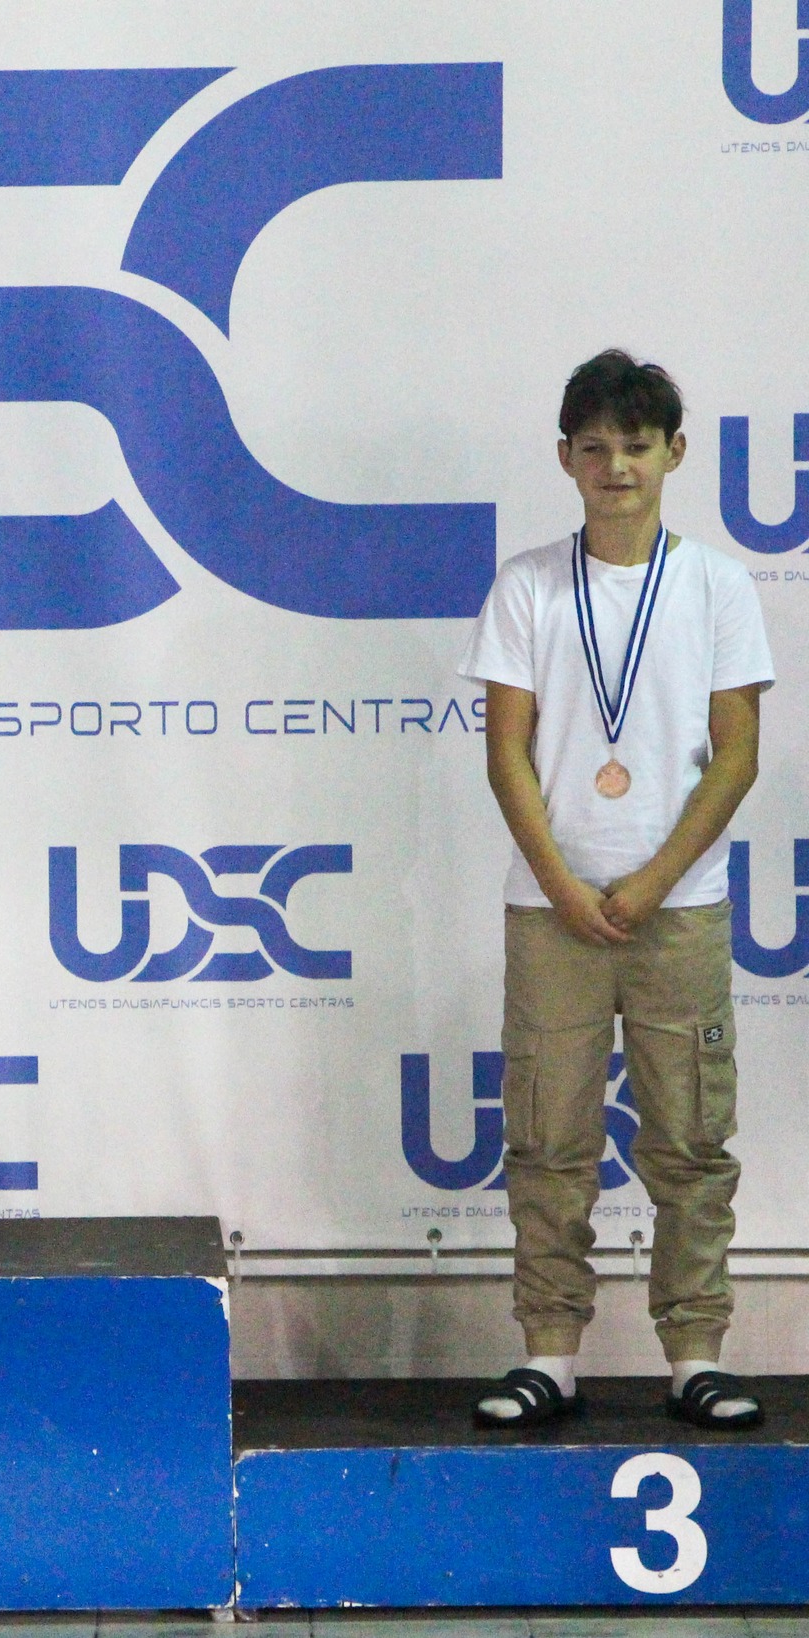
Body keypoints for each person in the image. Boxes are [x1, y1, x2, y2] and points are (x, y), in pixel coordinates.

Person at [458, 350, 773, 1429]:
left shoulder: (717, 584)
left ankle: (695, 1356)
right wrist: (561, 882)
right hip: (549, 910)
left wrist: (649, 879)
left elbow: (736, 753)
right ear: (564, 459)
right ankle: (548, 1355)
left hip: (678, 909)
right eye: (593, 448)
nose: (615, 467)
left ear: (673, 453)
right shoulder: (527, 585)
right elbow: (505, 751)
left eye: (635, 447)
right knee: (548, 1141)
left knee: (689, 1141)